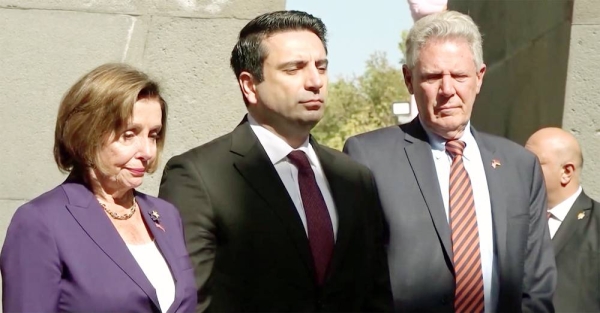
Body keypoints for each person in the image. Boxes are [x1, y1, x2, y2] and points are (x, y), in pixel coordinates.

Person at [158, 10, 392, 312]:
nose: (314, 81)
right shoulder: (198, 176)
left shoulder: (355, 177)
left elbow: (376, 294)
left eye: (321, 67)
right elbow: (191, 302)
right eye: (294, 69)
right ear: (249, 85)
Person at [344, 10, 556, 313]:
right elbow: (353, 282)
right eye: (432, 76)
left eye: (459, 76)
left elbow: (537, 285)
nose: (447, 90)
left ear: (479, 78)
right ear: (409, 79)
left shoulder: (521, 166)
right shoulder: (367, 158)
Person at [0, 63, 197, 312]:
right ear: (87, 134)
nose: (146, 151)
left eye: (153, 135)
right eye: (129, 134)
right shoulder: (41, 222)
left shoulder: (165, 214)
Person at [526, 127, 600, 312]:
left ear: (566, 172)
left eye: (532, 162)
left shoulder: (597, 224)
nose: (520, 168)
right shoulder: (511, 219)